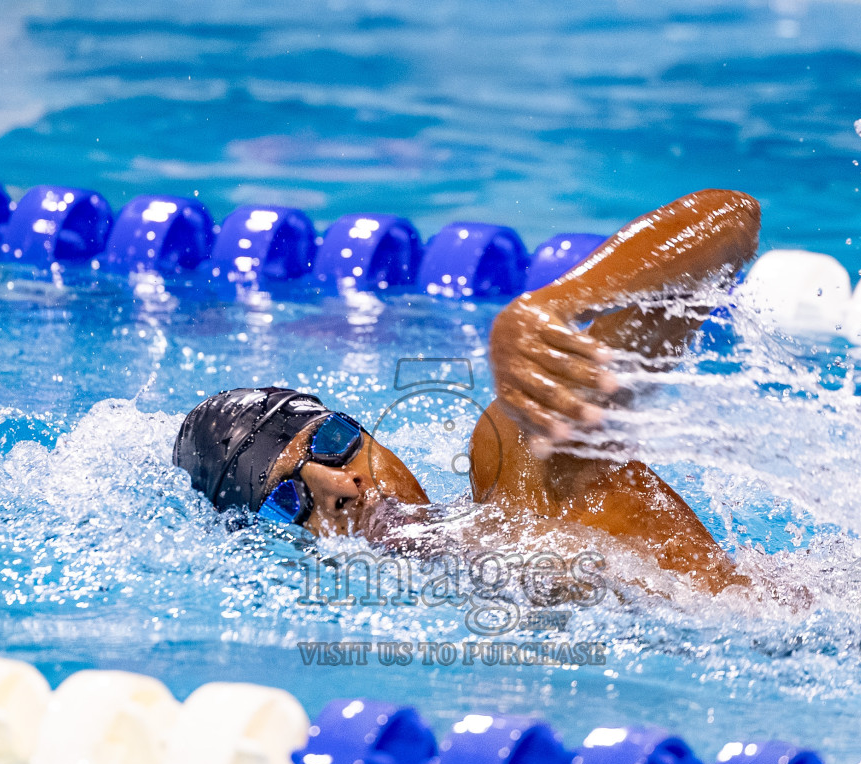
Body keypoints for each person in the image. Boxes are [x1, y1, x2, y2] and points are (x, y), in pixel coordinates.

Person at [173, 189, 761, 596]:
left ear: (369, 431)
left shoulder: (517, 462)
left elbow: (730, 222)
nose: (337, 486)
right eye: (287, 500)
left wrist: (550, 305)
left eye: (332, 441)